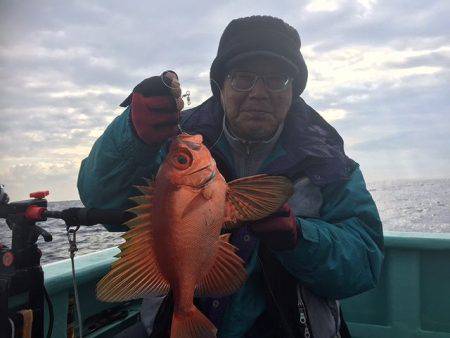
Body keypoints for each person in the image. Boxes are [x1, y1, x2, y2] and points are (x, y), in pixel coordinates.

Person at [78, 15, 383, 338]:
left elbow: (364, 262)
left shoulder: (329, 160)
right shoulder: (176, 143)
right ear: (220, 86)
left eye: (277, 79)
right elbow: (100, 199)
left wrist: (299, 238)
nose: (259, 92)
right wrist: (132, 137)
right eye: (242, 77)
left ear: (293, 90)